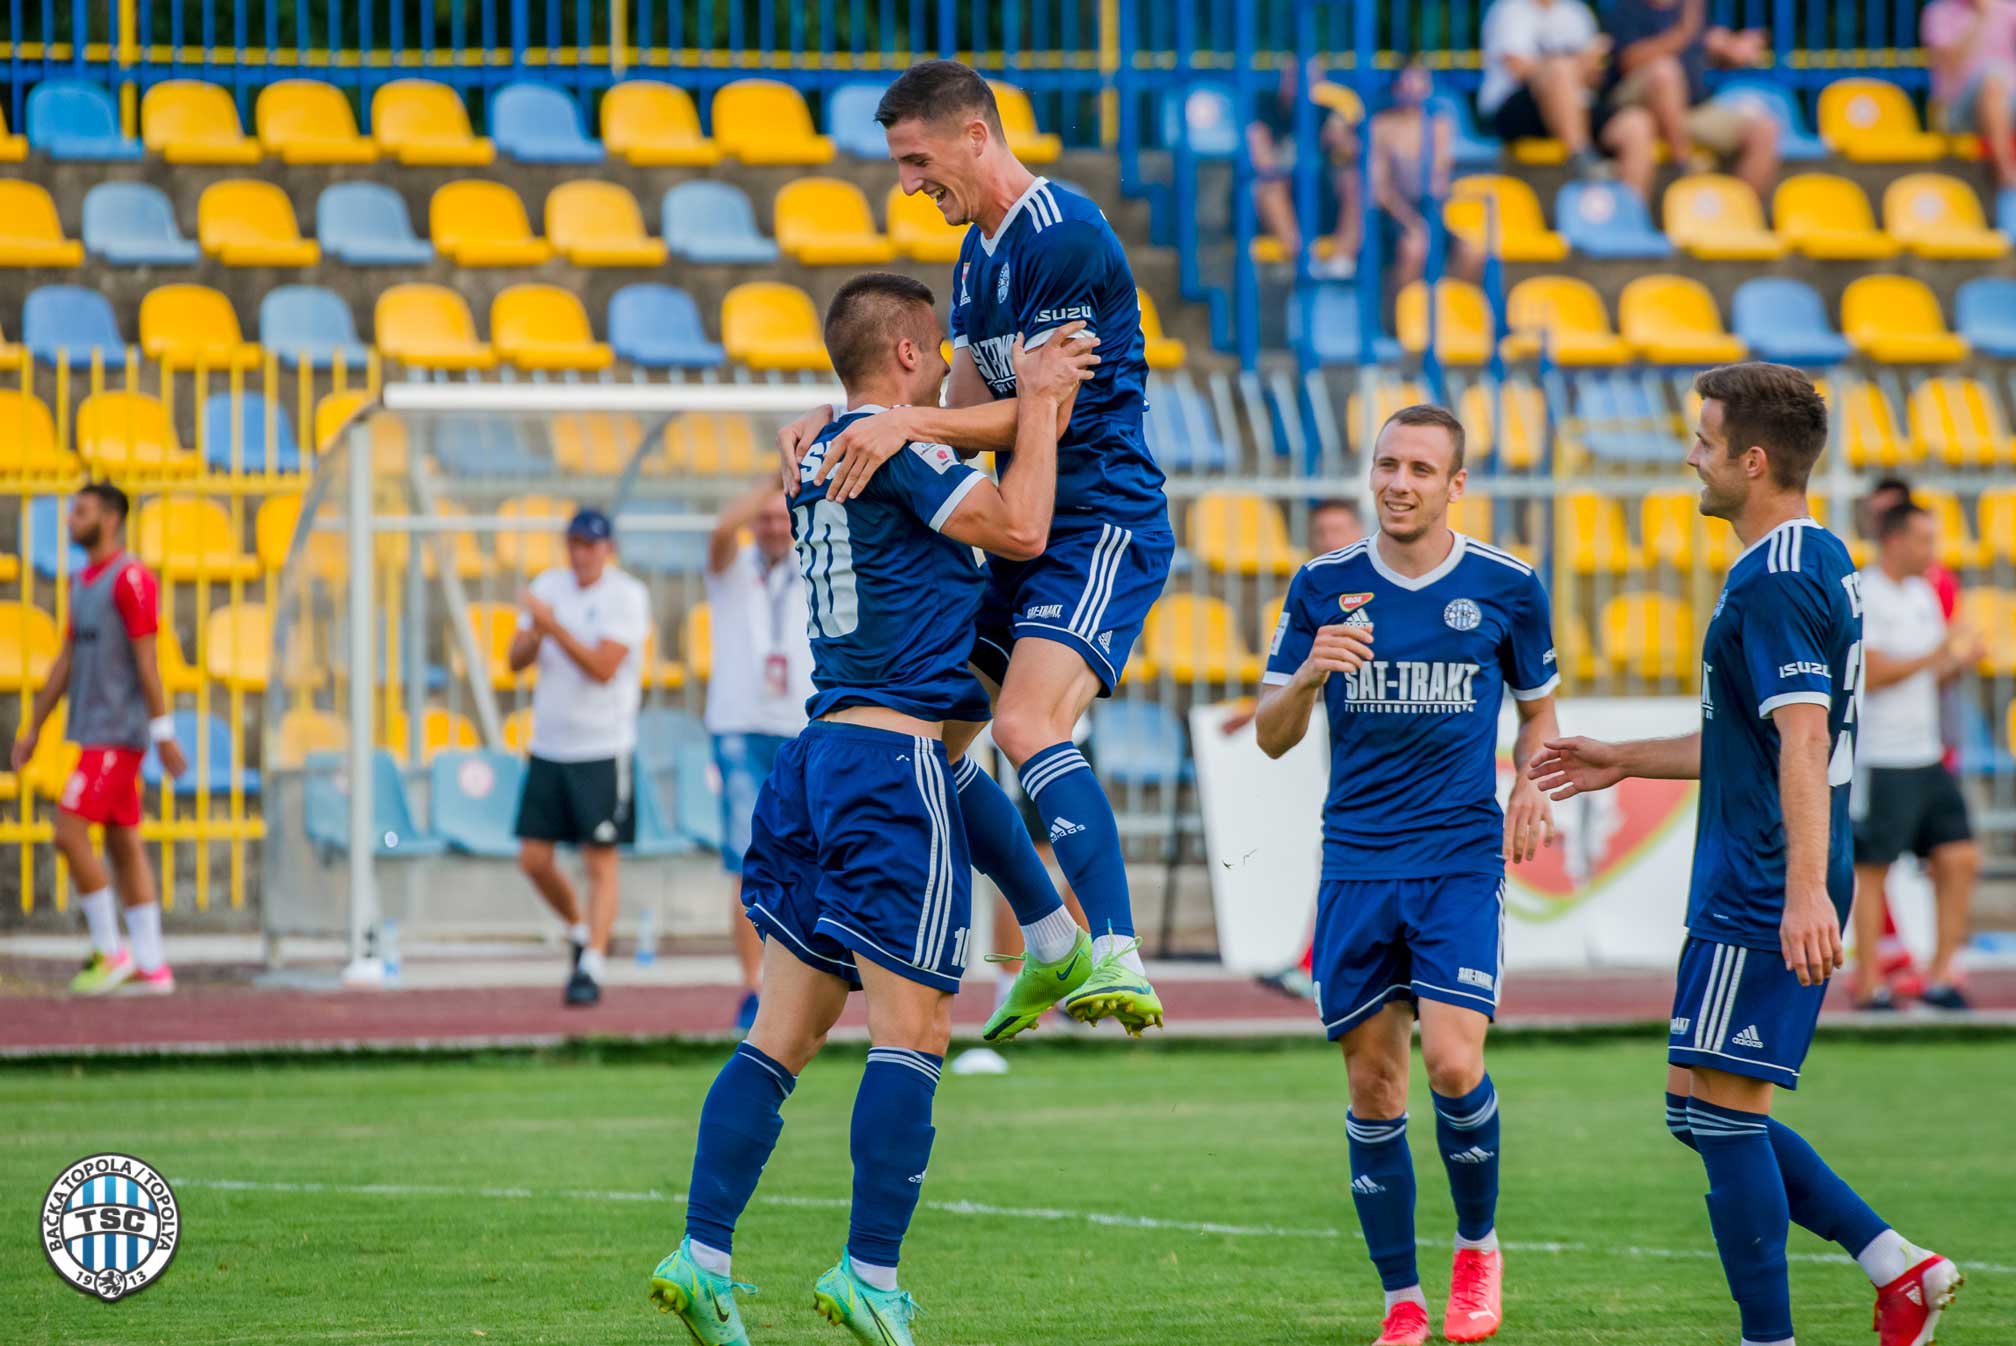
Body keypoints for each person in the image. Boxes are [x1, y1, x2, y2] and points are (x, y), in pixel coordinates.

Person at [647, 273, 1097, 1346]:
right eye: (935, 353)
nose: (945, 371)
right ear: (903, 355)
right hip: (893, 765)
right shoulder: (898, 444)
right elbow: (1024, 527)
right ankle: (870, 1269)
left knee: (781, 1033)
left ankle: (702, 1254)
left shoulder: (812, 447)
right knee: (918, 1030)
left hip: (816, 756)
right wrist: (1035, 404)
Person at [1530, 363, 1962, 1346]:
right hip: (1759, 871)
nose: (1692, 453)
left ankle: (1774, 1334)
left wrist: (1806, 889)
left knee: (1722, 1117)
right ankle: (1899, 1266)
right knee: (1698, 1110)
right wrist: (1623, 758)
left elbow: (1805, 738)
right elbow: (1760, 735)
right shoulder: (1815, 555)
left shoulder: (1772, 579)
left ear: (1751, 460)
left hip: (1766, 877)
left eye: (1704, 438)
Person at [775, 59, 1172, 1039]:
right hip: (1018, 536)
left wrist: (899, 425)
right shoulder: (977, 259)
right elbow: (963, 413)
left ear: (974, 136)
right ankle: (1047, 943)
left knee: (1030, 725)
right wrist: (860, 417)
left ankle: (1116, 950)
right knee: (933, 746)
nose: (909, 184)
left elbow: (1046, 407)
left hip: (1097, 525)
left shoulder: (1063, 238)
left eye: (916, 160)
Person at [1254, 405, 1561, 1346]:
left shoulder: (1507, 587)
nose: (1399, 483)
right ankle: (1401, 1302)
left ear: (1455, 485)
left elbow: (1540, 712)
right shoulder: (1322, 586)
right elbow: (1271, 737)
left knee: (1453, 1061)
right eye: (1388, 464)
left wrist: (1531, 788)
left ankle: (1477, 1247)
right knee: (1374, 1088)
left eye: (1422, 469)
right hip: (1354, 862)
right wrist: (1308, 674)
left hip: (1459, 858)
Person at [13, 483, 187, 995]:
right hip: (93, 733)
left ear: (110, 519)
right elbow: (65, 661)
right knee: (122, 843)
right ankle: (152, 965)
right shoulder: (80, 582)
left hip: (118, 734)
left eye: (81, 512)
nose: (69, 521)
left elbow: (147, 662)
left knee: (67, 834)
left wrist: (163, 733)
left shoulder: (131, 579)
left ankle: (111, 949)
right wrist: (35, 726)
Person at [508, 507, 651, 1008]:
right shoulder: (549, 586)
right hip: (550, 742)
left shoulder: (626, 595)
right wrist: (536, 630)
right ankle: (577, 928)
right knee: (533, 857)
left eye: (590, 544)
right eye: (574, 543)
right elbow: (514, 660)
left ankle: (593, 960)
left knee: (600, 859)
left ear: (607, 549)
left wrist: (554, 626)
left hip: (601, 745)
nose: (581, 553)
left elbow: (604, 667)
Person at [1849, 501, 1984, 1011]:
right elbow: (1876, 673)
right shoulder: (1869, 594)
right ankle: (1868, 985)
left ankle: (1941, 975)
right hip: (1882, 756)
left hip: (1925, 753)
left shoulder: (1923, 593)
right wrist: (1938, 653)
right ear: (1896, 540)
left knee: (1960, 854)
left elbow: (1930, 673)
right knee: (1873, 869)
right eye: (1924, 539)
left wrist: (1958, 662)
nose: (1933, 550)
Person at [704, 482, 815, 1031]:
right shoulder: (731, 568)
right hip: (739, 726)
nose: (773, 527)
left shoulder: (812, 560)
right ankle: (752, 987)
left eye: (782, 518)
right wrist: (778, 481)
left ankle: (794, 985)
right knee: (749, 861)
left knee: (802, 860)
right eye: (765, 519)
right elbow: (723, 528)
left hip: (800, 725)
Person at [1478, 0, 1657, 197]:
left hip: (1576, 103)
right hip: (1517, 107)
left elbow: (1595, 77)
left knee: (1636, 123)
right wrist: (1577, 66)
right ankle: (1583, 166)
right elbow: (1520, 69)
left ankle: (1629, 213)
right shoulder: (1509, 10)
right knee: (1559, 71)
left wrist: (1578, 69)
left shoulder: (1577, 12)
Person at [1603, 0, 1780, 198]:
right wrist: (1682, 32)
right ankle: (1682, 167)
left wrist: (1735, 50)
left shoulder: (1690, 11)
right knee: (1664, 72)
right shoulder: (1627, 10)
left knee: (1764, 129)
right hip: (1641, 107)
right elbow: (1629, 60)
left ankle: (1739, 214)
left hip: (1693, 111)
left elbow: (1714, 42)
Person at [1369, 57, 1482, 287]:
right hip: (1393, 212)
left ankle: (1455, 311)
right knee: (1414, 247)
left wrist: (1430, 219)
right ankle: (1402, 318)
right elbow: (1380, 190)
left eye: (1419, 80)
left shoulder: (1440, 125)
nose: (1413, 88)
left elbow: (1439, 180)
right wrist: (1411, 223)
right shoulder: (1380, 127)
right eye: (1407, 81)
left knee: (1474, 250)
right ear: (1396, 86)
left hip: (1431, 208)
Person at [1251, 60, 1362, 275]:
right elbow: (1262, 162)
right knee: (1270, 185)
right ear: (1284, 80)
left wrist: (1341, 138)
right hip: (1277, 205)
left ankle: (1340, 266)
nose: (1302, 85)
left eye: (1310, 79)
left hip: (1319, 197)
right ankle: (1305, 265)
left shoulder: (1326, 114)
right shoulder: (1264, 109)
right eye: (1295, 78)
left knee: (1357, 182)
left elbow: (1356, 153)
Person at [1923, 0, 2016, 190]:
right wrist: (1980, 18)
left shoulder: (2007, 9)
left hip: (2006, 103)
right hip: (1958, 110)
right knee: (1992, 78)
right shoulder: (1939, 14)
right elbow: (1951, 68)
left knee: (1996, 82)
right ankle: (2006, 176)